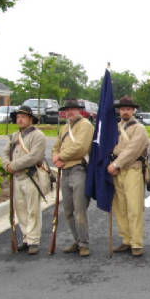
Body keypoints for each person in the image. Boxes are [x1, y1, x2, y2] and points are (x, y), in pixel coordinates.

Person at [1, 106, 47, 255]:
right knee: (20, 210)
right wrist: (7, 165)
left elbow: (34, 156)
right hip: (17, 177)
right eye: (18, 117)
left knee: (32, 210)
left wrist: (13, 165)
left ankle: (34, 240)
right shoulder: (14, 136)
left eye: (23, 117)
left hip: (30, 176)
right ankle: (26, 238)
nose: (19, 119)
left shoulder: (38, 135)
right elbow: (4, 153)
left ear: (30, 119)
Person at [51, 99, 94, 257]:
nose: (69, 112)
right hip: (66, 170)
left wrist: (60, 157)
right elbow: (55, 146)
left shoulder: (86, 125)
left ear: (79, 111)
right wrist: (56, 157)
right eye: (67, 110)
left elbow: (80, 147)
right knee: (68, 210)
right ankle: (77, 240)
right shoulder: (64, 128)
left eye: (73, 109)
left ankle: (84, 243)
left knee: (79, 209)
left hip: (79, 169)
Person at [108, 96, 149, 257]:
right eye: (122, 108)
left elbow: (133, 150)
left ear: (133, 111)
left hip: (132, 169)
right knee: (120, 208)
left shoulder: (139, 129)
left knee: (134, 208)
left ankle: (136, 243)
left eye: (128, 109)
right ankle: (126, 239)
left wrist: (116, 164)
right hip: (117, 171)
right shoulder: (115, 127)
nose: (125, 111)